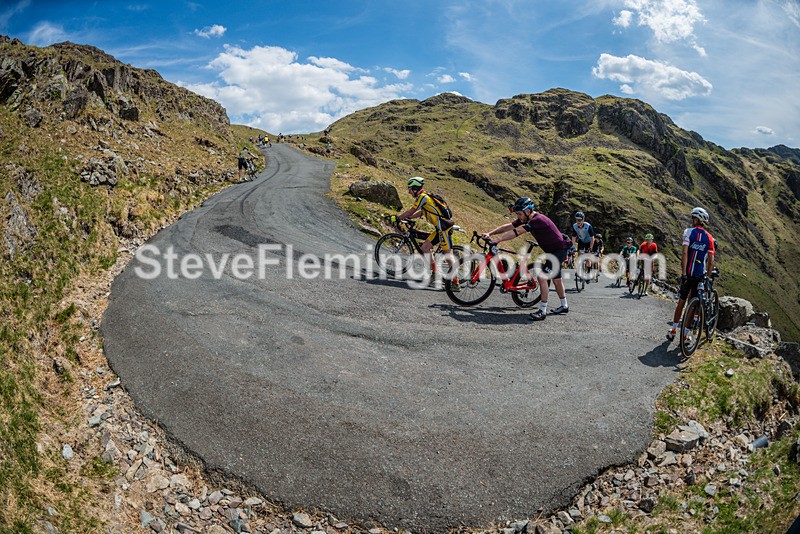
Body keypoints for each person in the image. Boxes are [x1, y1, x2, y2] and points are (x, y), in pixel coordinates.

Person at [481, 197, 572, 321]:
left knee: (542, 277)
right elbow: (509, 226)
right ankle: (564, 306)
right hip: (553, 252)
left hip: (559, 251)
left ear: (528, 211)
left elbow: (517, 232)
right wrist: (490, 233)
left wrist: (498, 240)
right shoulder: (526, 218)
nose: (518, 216)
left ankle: (542, 311)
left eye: (519, 214)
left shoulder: (538, 220)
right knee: (556, 279)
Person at [392, 177, 459, 289]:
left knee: (448, 256)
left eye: (410, 189)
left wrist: (399, 218)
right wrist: (409, 218)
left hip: (444, 229)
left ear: (415, 188)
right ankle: (435, 273)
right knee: (425, 247)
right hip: (439, 229)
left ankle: (456, 283)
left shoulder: (422, 197)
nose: (409, 192)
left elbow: (411, 210)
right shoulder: (425, 197)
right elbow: (421, 212)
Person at [667, 207, 716, 342]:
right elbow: (711, 261)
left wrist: (683, 273)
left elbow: (684, 253)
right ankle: (685, 334)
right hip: (700, 276)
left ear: (696, 220)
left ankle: (673, 329)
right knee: (692, 305)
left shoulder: (688, 232)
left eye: (693, 218)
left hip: (688, 274)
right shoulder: (710, 238)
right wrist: (708, 278)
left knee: (681, 302)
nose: (692, 220)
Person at [571, 211, 595, 281]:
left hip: (588, 242)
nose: (578, 221)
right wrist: (572, 247)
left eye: (580, 220)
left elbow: (592, 238)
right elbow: (574, 237)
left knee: (588, 257)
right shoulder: (575, 226)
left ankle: (588, 272)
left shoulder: (588, 226)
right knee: (579, 255)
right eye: (577, 220)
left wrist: (590, 248)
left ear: (583, 220)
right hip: (581, 241)